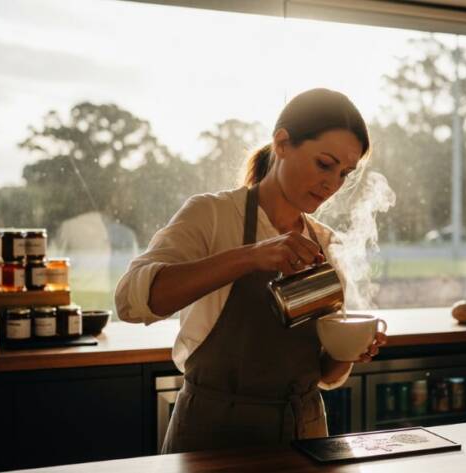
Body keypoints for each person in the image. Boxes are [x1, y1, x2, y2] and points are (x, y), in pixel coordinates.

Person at [115, 88, 386, 453]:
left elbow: (324, 374)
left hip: (303, 435)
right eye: (325, 164)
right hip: (213, 436)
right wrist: (251, 256)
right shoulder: (212, 215)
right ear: (282, 143)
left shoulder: (323, 243)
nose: (332, 184)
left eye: (344, 173)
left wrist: (349, 350)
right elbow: (130, 301)